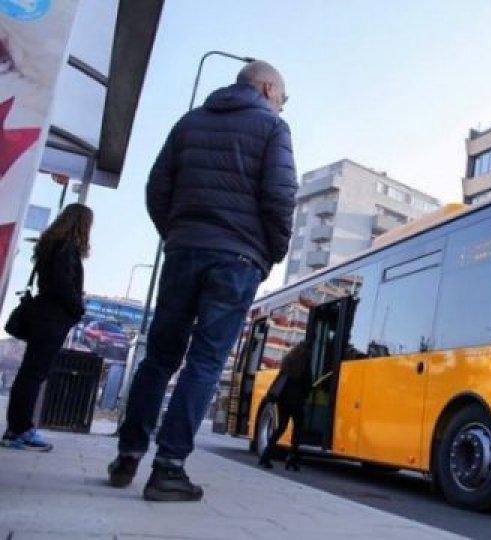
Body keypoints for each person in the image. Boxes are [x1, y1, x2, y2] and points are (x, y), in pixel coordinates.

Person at [107, 60, 298, 502]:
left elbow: (157, 188)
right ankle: (169, 469)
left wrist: (177, 234)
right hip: (236, 258)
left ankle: (128, 456)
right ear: (268, 88)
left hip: (183, 251)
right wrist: (270, 251)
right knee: (205, 362)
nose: (282, 107)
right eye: (283, 99)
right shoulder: (272, 128)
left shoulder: (189, 122)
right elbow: (281, 195)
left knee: (158, 358)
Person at [1, 203, 92, 451]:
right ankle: (20, 429)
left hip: (42, 313)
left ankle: (16, 427)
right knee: (35, 373)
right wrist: (78, 307)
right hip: (53, 318)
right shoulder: (67, 249)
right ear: (82, 224)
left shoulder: (49, 245)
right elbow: (63, 284)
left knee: (29, 372)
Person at [258, 342, 312, 470]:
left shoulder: (288, 360)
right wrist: (306, 394)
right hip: (296, 400)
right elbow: (307, 382)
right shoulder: (304, 362)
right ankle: (292, 458)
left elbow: (280, 378)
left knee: (281, 427)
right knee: (298, 428)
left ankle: (265, 455)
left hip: (282, 399)